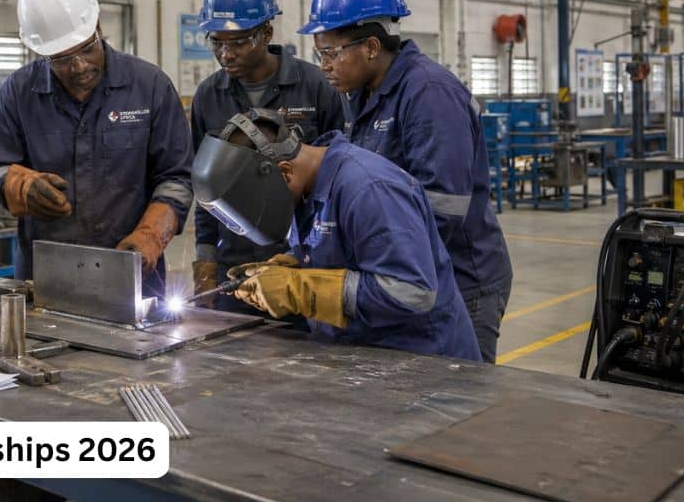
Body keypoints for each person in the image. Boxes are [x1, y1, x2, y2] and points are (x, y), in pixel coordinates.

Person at [301, 0, 513, 362]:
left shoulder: (429, 94)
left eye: (331, 53)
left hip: (463, 281)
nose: (324, 66)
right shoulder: (363, 94)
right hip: (410, 271)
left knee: (460, 402)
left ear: (371, 47)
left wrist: (358, 266)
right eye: (319, 54)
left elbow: (442, 210)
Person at [192, 109, 481, 361]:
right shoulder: (306, 188)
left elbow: (412, 292)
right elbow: (340, 249)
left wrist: (298, 287)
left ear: (283, 172)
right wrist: (289, 265)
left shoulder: (369, 188)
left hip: (426, 363)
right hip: (364, 354)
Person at [0, 0, 192, 298]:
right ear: (42, 53)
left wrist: (150, 237)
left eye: (87, 49)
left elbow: (177, 178)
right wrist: (21, 186)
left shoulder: (149, 87)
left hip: (135, 274)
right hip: (45, 276)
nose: (79, 66)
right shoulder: (18, 93)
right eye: (62, 59)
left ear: (99, 29)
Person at [188, 0, 346, 311]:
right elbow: (204, 188)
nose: (226, 54)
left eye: (238, 42)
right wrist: (206, 258)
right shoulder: (208, 97)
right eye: (216, 42)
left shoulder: (315, 85)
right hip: (237, 261)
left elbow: (341, 172)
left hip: (301, 261)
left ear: (266, 32)